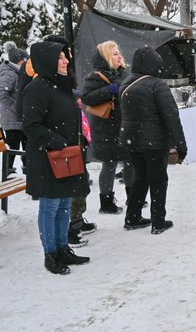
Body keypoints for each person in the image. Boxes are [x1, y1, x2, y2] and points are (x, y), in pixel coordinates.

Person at [23, 40, 90, 274]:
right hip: (46, 157)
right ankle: (50, 254)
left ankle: (63, 248)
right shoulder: (37, 88)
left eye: (65, 56)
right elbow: (31, 125)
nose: (65, 60)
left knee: (64, 204)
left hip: (65, 156)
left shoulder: (62, 84)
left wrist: (77, 140)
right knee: (50, 205)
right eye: (60, 57)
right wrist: (56, 141)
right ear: (48, 61)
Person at [119, 46, 187, 234]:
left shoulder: (125, 83)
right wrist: (181, 146)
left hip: (132, 141)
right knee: (158, 180)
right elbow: (172, 117)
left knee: (140, 178)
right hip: (154, 142)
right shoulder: (157, 85)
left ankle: (132, 217)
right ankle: (158, 221)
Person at [81, 40, 132, 215]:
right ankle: (106, 202)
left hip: (124, 126)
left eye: (119, 53)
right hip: (106, 128)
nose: (119, 56)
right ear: (106, 57)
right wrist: (108, 90)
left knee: (129, 162)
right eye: (115, 54)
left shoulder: (124, 73)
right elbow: (86, 98)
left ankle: (133, 198)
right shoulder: (96, 76)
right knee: (110, 164)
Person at [0, 41, 29, 174]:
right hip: (12, 118)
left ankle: (27, 168)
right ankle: (7, 170)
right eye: (25, 60)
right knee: (13, 146)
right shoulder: (10, 73)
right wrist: (17, 106)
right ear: (19, 61)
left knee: (26, 144)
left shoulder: (16, 72)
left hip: (18, 118)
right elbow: (2, 94)